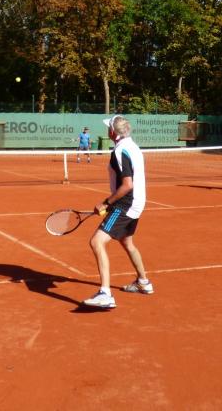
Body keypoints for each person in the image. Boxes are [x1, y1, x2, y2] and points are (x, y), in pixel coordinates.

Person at [82, 115, 152, 309]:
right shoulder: (133, 147)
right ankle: (144, 282)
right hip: (136, 203)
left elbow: (127, 184)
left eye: (108, 128)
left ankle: (105, 294)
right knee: (127, 242)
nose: (107, 130)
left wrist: (106, 203)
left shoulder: (120, 151)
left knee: (96, 242)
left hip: (126, 204)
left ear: (113, 132)